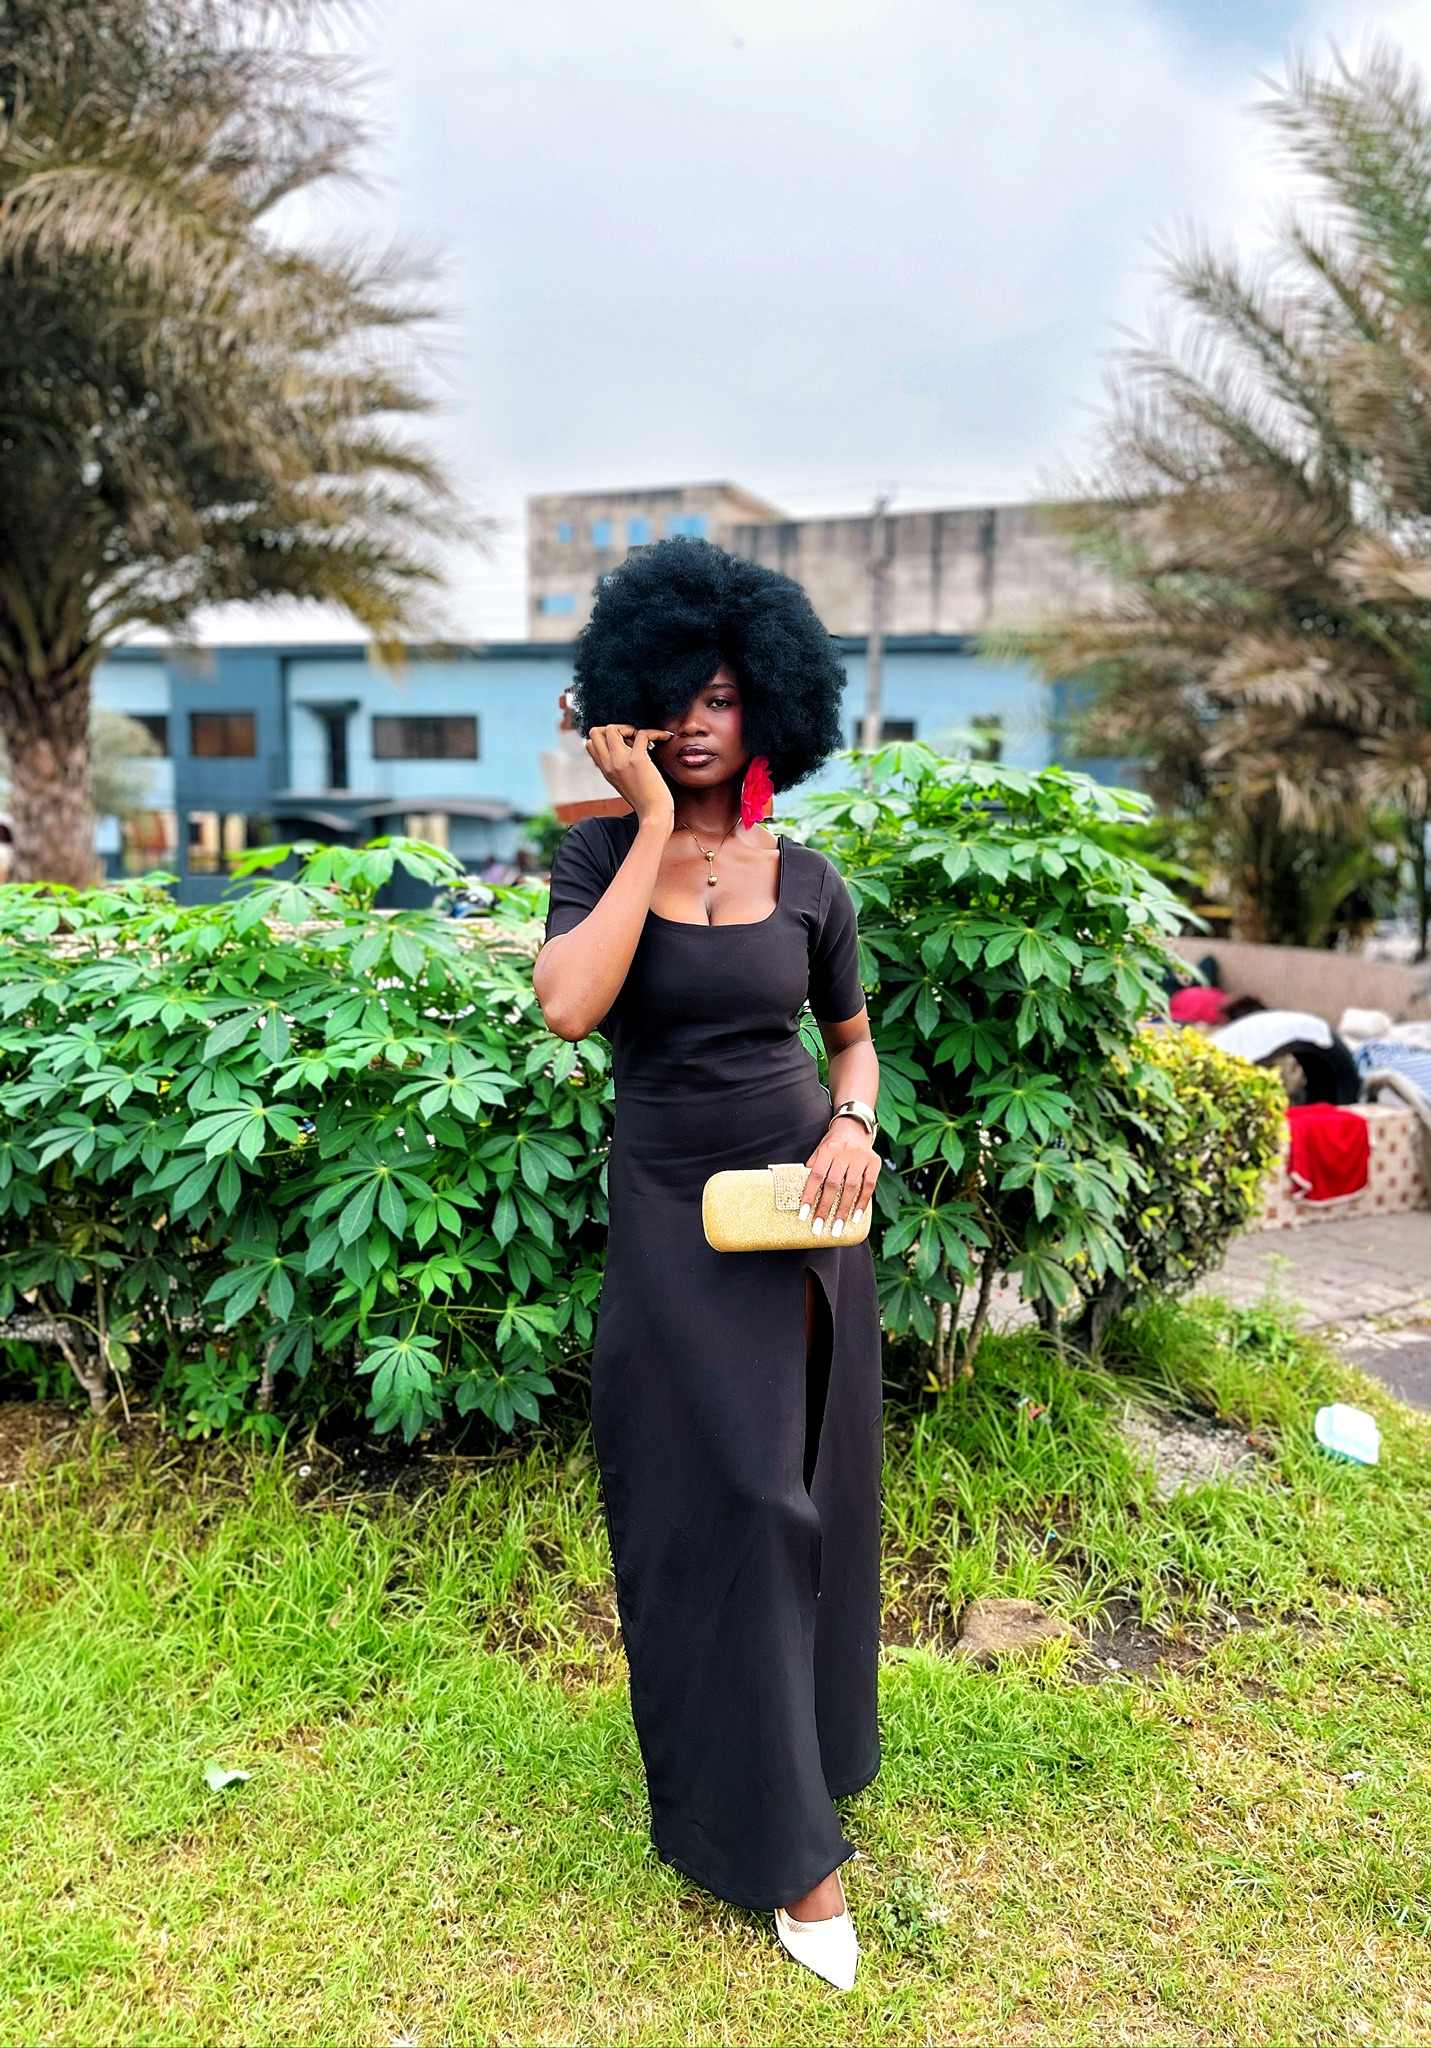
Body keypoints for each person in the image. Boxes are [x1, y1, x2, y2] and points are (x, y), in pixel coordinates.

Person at [532, 537, 883, 1991]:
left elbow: (851, 1042)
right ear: (630, 700)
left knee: (805, 1504)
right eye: (674, 693)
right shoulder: (594, 857)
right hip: (673, 1218)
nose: (695, 720)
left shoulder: (810, 880)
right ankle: (793, 1858)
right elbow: (571, 1008)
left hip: (800, 1218)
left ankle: (807, 1766)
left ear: (770, 711)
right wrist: (645, 826)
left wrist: (855, 1125)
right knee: (726, 1502)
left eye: (725, 697)